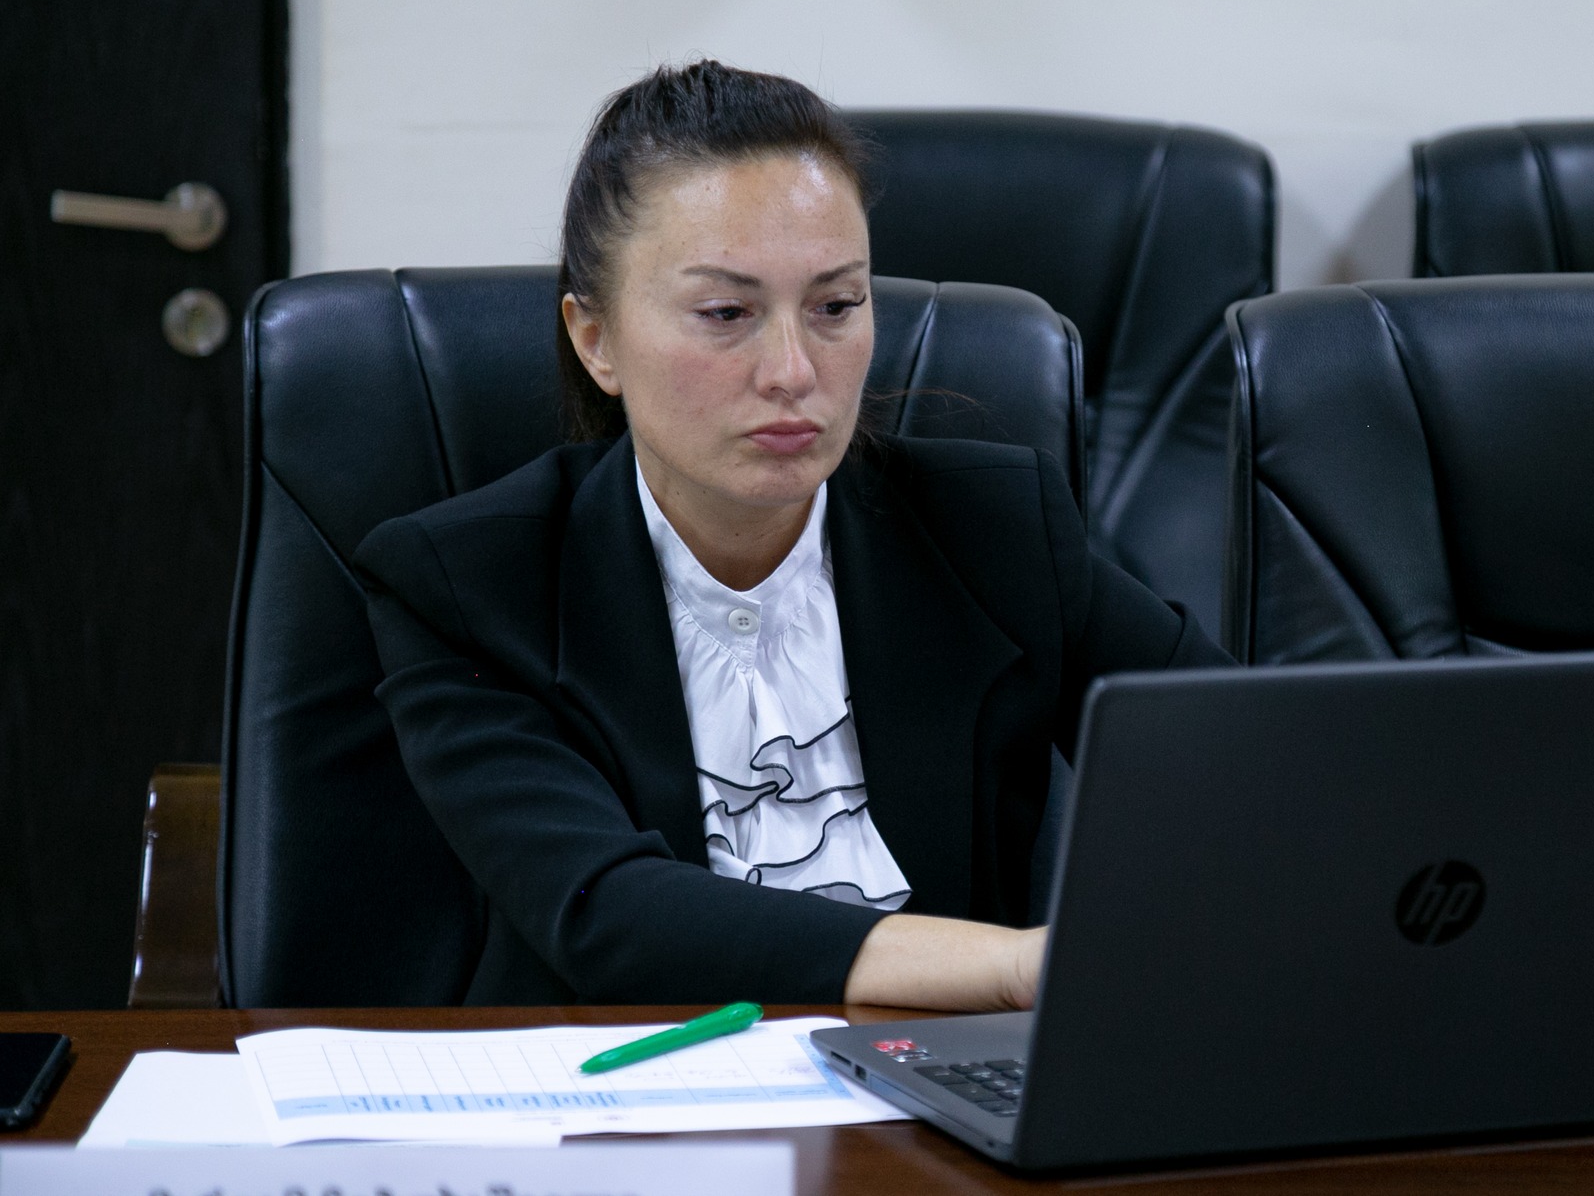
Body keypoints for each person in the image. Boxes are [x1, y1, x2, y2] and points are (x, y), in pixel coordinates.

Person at [355, 60, 1231, 1010]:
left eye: (835, 307)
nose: (791, 370)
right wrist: (1019, 967)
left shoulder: (996, 529)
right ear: (595, 338)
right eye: (726, 313)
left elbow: (1251, 759)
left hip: (937, 1088)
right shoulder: (467, 585)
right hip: (618, 1086)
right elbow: (611, 915)